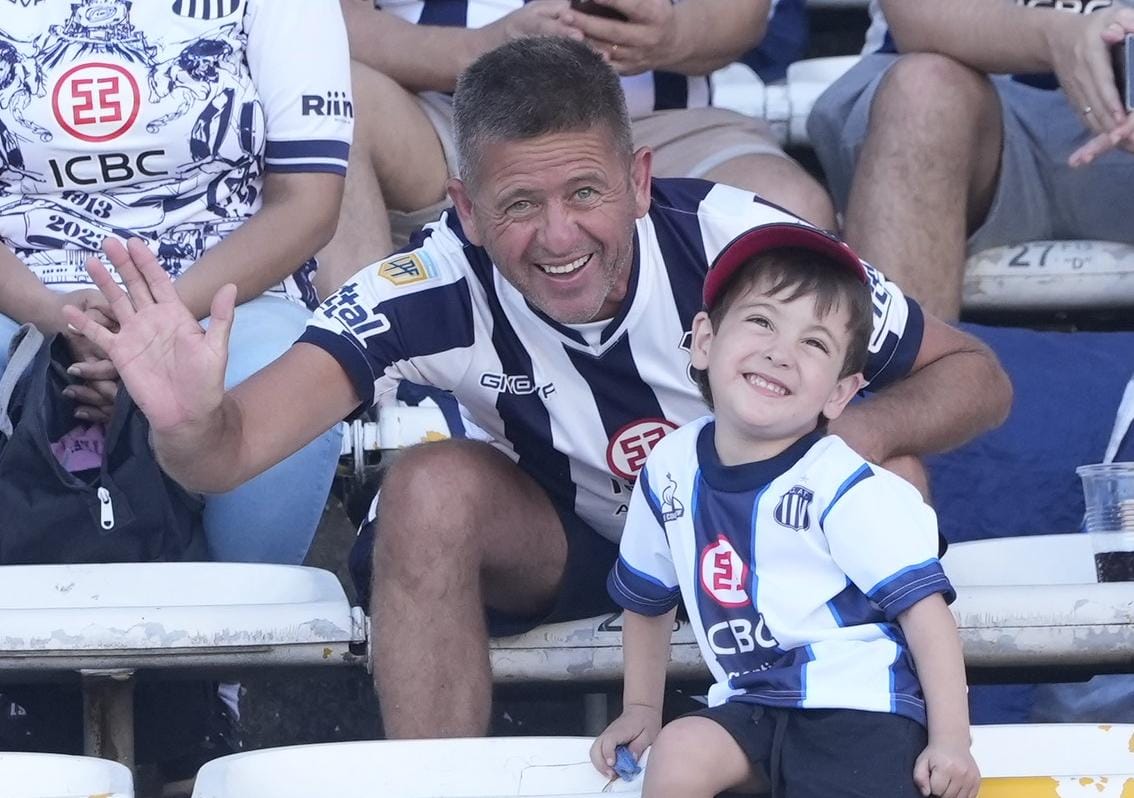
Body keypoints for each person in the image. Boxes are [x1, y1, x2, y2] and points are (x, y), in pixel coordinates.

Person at [64, 36, 1012, 739]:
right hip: (582, 541)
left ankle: (882, 758)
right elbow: (229, 450)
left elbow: (978, 377)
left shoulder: (736, 241)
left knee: (893, 481)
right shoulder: (424, 288)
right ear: (466, 211)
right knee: (427, 492)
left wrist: (837, 450)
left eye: (586, 194)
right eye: (519, 205)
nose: (559, 238)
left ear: (642, 182)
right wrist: (185, 417)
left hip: (772, 542)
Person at [589, 222, 980, 798]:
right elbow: (647, 600)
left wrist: (953, 742)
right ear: (703, 341)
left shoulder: (840, 483)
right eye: (761, 321)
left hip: (858, 710)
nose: (780, 353)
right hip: (748, 704)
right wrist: (642, 707)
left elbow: (925, 613)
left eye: (814, 343)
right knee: (681, 748)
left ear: (839, 394)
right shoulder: (669, 466)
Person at [0, 0, 350, 564]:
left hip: (229, 294)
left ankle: (239, 623)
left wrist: (151, 333)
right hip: (22, 294)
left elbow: (309, 205)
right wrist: (51, 310)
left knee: (290, 367)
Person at [323, 0, 832, 267]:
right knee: (337, 98)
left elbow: (743, 13)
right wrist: (480, 49)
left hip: (653, 128)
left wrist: (676, 33)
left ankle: (733, 427)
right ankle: (364, 391)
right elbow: (332, 20)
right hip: (446, 122)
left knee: (785, 207)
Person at [806, 0, 1134, 321]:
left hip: (1120, 113)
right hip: (959, 95)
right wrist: (1059, 35)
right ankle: (903, 370)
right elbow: (921, 15)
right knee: (923, 93)